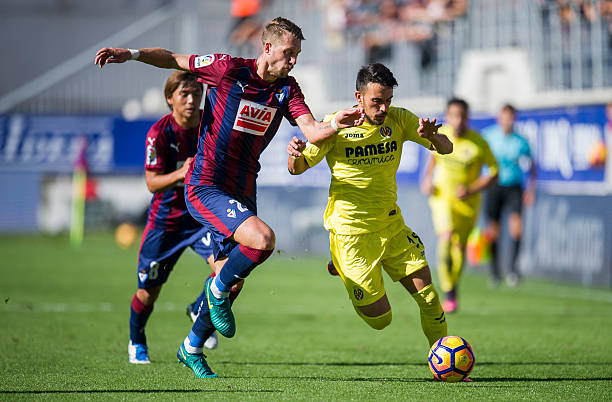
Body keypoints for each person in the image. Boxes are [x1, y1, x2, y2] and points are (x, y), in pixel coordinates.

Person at [95, 17, 364, 378]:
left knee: (234, 279)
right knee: (263, 240)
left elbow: (313, 131)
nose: (293, 61)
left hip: (242, 189)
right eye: (289, 53)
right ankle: (206, 297)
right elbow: (174, 59)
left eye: (298, 54)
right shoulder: (227, 70)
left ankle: (191, 346)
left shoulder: (287, 90)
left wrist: (336, 124)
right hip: (206, 185)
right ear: (267, 48)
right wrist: (129, 54)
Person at [287, 63, 453, 350]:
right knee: (382, 320)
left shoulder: (399, 119)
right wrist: (295, 155)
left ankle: (442, 359)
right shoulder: (336, 125)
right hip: (351, 235)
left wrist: (432, 136)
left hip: (391, 227)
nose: (384, 108)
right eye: (377, 101)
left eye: (388, 100)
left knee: (429, 299)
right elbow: (297, 168)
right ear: (359, 96)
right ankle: (340, 264)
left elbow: (447, 148)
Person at [128, 71, 243, 364]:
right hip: (166, 222)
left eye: (196, 94)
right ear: (170, 99)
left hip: (201, 218)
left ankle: (199, 307)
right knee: (147, 294)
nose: (192, 100)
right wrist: (182, 172)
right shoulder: (160, 133)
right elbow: (151, 183)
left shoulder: (211, 123)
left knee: (231, 275)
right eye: (184, 95)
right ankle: (137, 341)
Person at [420, 98, 498, 313]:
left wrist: (471, 189)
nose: (458, 120)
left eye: (462, 116)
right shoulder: (441, 134)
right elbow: (433, 158)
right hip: (442, 198)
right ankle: (448, 288)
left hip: (468, 204)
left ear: (467, 117)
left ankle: (452, 288)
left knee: (459, 248)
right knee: (446, 237)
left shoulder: (478, 143)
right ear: (448, 116)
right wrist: (427, 179)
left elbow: (494, 173)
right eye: (454, 115)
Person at [481, 104, 535, 288]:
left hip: (514, 187)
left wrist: (531, 189)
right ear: (499, 118)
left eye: (511, 117)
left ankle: (512, 270)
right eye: (505, 116)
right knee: (494, 231)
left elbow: (532, 165)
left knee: (516, 228)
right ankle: (495, 271)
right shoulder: (489, 136)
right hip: (494, 186)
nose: (508, 120)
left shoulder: (521, 141)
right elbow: (478, 159)